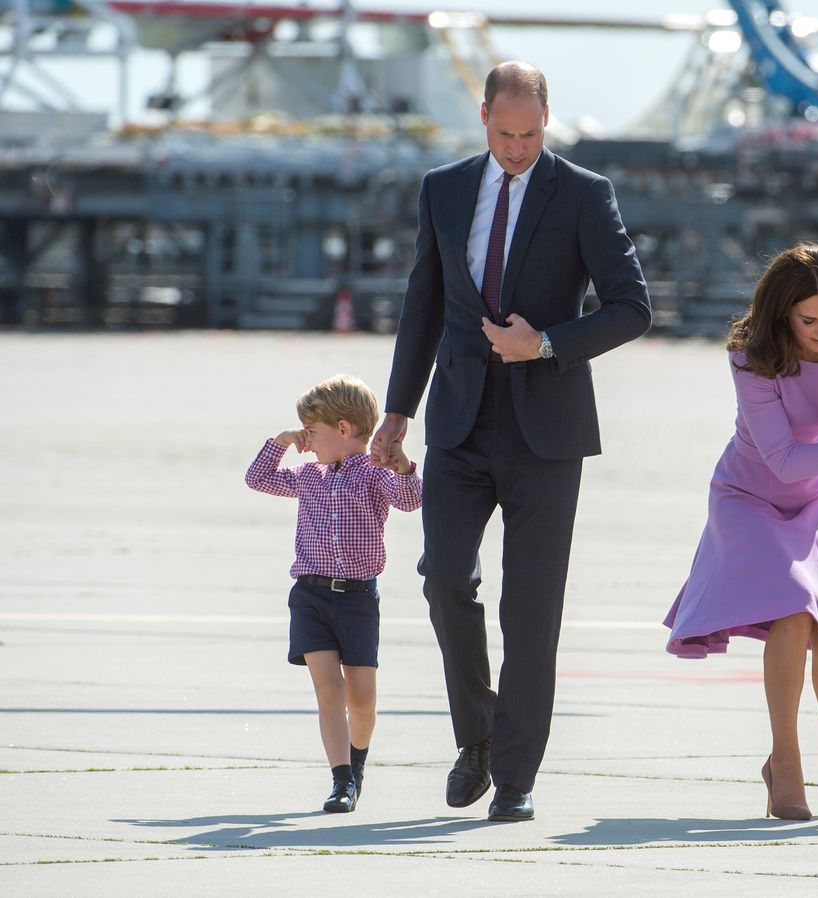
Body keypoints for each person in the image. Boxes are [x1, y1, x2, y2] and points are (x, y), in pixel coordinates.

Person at [371, 61, 652, 823]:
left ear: (546, 119)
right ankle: (479, 737)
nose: (519, 148)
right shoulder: (444, 188)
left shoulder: (585, 193)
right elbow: (422, 305)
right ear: (484, 117)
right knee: (443, 579)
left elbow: (632, 307)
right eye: (505, 134)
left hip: (547, 430)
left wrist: (551, 342)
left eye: (531, 135)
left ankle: (518, 775)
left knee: (531, 611)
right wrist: (397, 412)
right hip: (459, 423)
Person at [663, 242, 818, 820]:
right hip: (748, 495)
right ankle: (786, 764)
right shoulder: (751, 355)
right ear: (781, 313)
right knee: (793, 615)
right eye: (808, 319)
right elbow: (784, 459)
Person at [245, 374, 422, 813]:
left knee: (360, 700)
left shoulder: (375, 474)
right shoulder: (308, 475)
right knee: (329, 692)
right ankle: (340, 781)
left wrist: (402, 465)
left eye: (311, 431)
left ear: (343, 429)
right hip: (310, 597)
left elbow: (411, 500)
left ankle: (357, 766)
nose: (308, 440)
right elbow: (258, 478)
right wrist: (283, 440)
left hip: (358, 599)